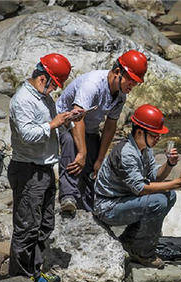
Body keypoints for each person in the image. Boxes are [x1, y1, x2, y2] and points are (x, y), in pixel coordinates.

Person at [93, 104, 181, 269]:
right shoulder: (127, 153)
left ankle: (131, 240)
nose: (158, 138)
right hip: (108, 206)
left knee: (169, 195)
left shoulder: (144, 149)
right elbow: (141, 188)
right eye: (154, 135)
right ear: (139, 132)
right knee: (158, 201)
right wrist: (177, 183)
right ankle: (143, 253)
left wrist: (170, 164)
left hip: (126, 199)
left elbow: (154, 177)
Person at [8, 53, 77, 282]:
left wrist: (66, 120)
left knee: (45, 224)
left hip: (45, 167)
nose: (54, 89)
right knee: (26, 226)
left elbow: (51, 124)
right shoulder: (22, 100)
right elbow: (27, 134)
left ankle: (35, 271)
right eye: (53, 84)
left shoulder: (44, 98)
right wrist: (54, 124)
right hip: (27, 169)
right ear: (43, 77)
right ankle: (19, 280)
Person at [56, 49, 148, 214]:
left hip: (89, 128)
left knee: (93, 164)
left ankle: (88, 203)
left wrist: (100, 158)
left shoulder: (120, 96)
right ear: (118, 72)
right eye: (131, 80)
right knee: (72, 146)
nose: (132, 86)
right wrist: (82, 152)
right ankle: (67, 195)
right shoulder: (92, 85)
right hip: (65, 123)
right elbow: (77, 118)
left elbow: (110, 126)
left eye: (136, 83)